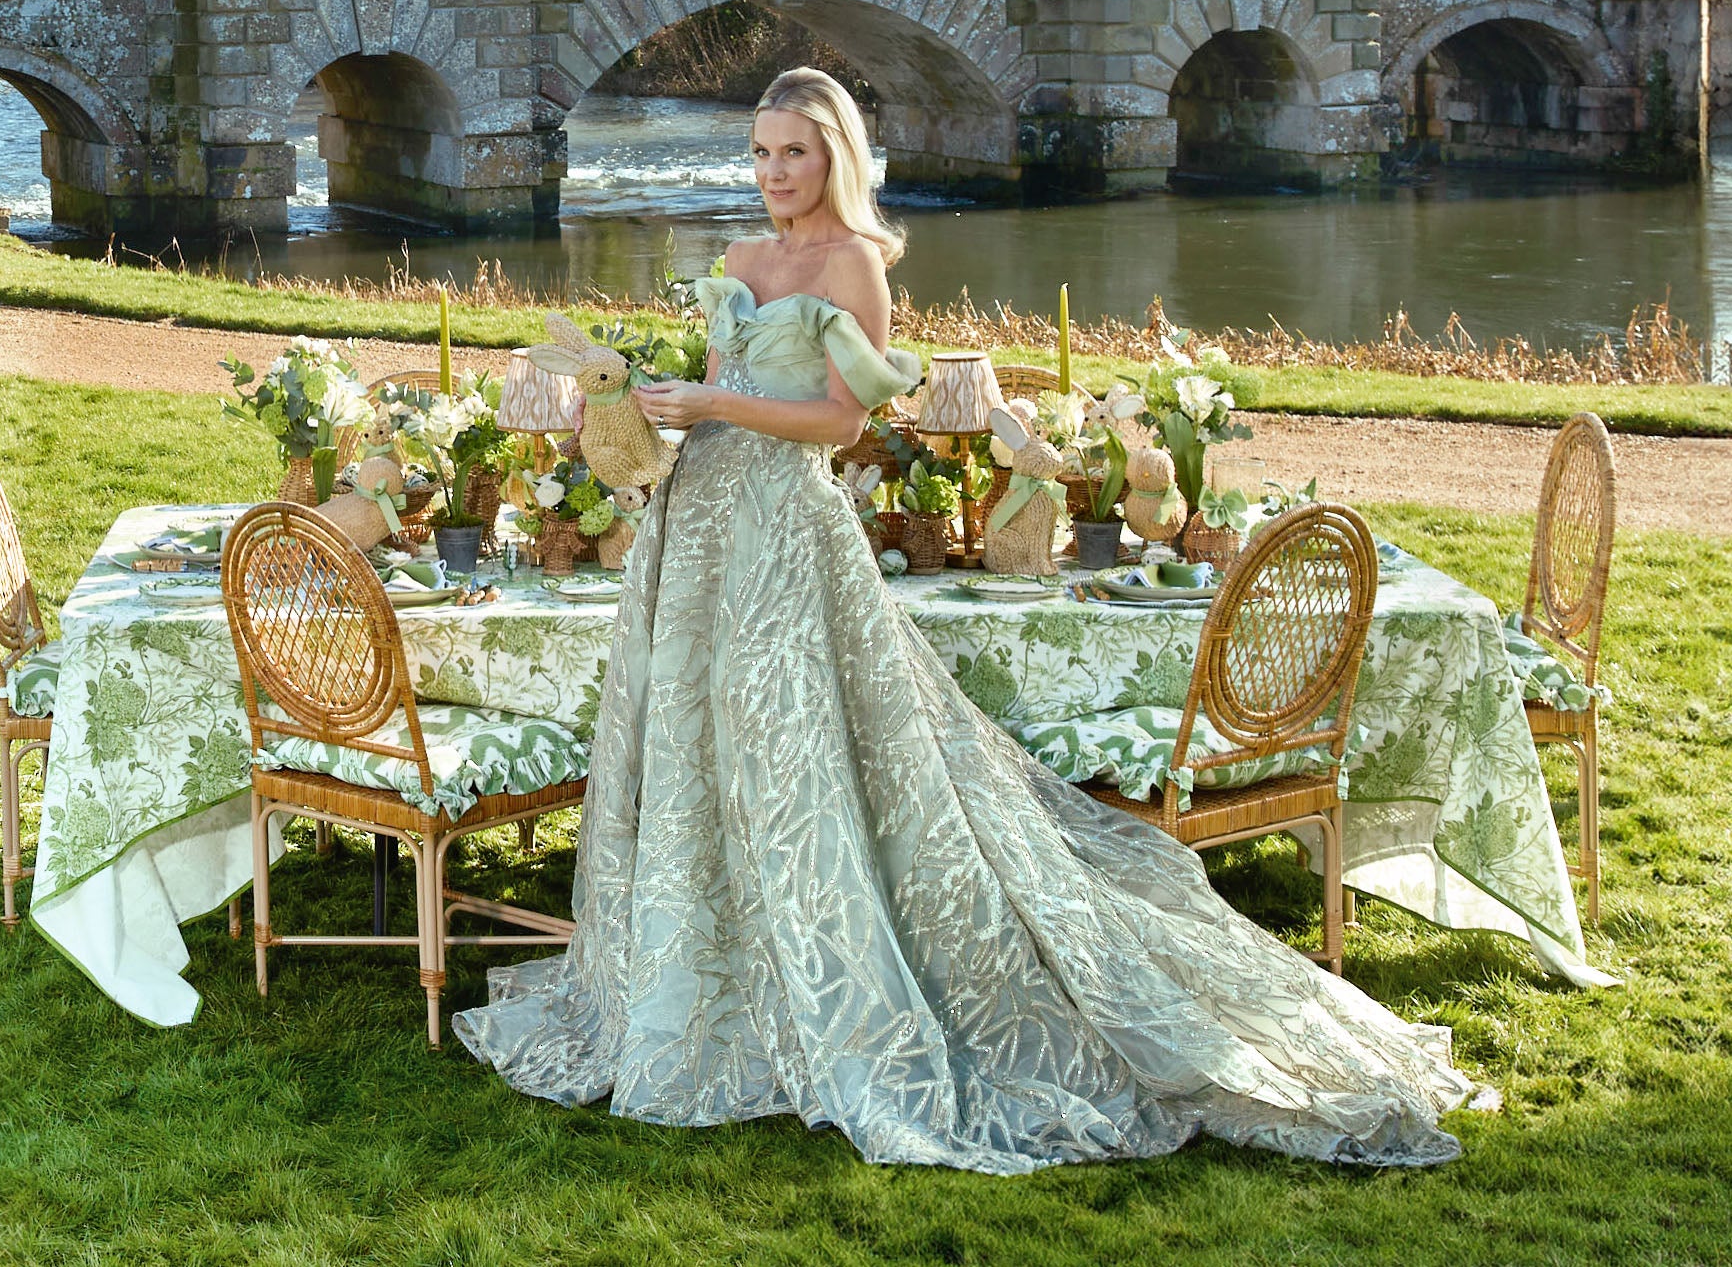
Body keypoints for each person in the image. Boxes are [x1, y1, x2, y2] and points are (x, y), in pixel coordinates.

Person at [455, 67, 1468, 1173]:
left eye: (790, 152)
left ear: (833, 156)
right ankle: (701, 967)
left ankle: (824, 976)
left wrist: (715, 404)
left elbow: (836, 422)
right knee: (696, 741)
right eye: (757, 153)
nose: (771, 173)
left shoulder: (855, 267)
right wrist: (653, 409)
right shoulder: (740, 263)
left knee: (800, 751)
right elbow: (717, 385)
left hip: (786, 533)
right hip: (697, 527)